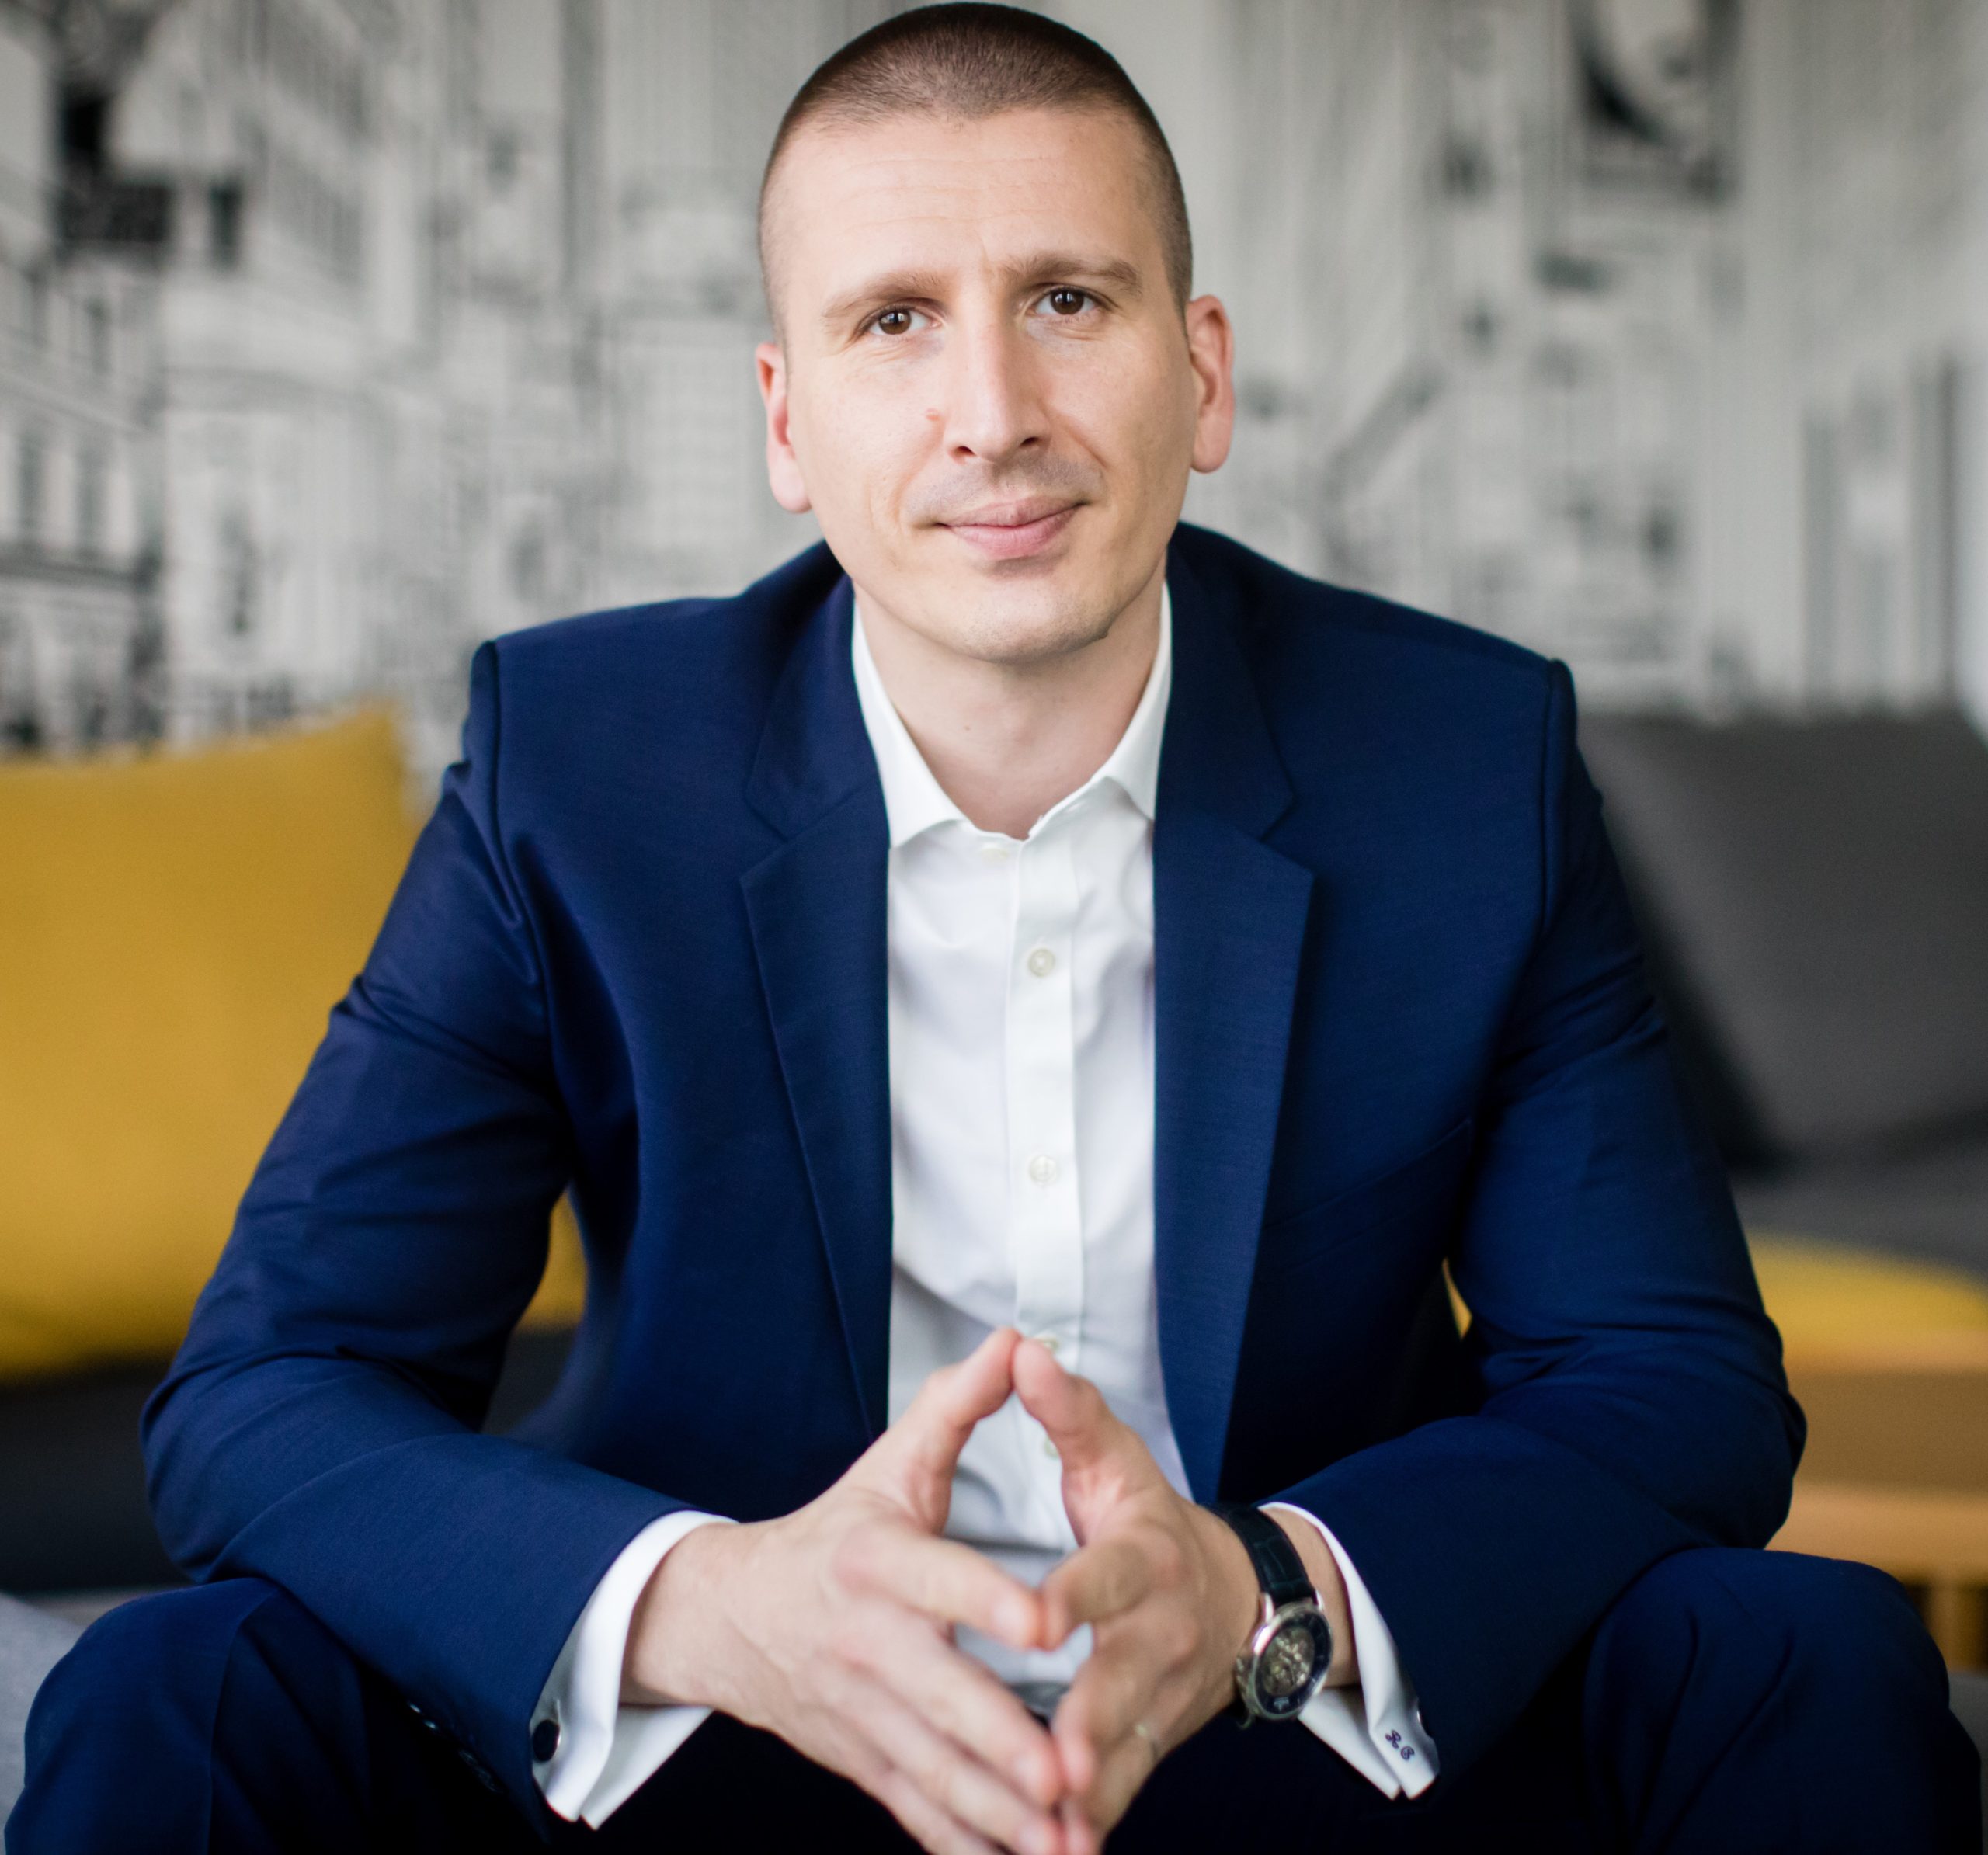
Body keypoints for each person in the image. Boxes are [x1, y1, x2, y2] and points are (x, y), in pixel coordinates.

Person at [11, 7, 1978, 1853]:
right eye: (893, 321)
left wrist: (1261, 1588)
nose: (992, 413)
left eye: (1065, 301)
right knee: (180, 1690)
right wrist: (712, 1606)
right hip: (732, 1724)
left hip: (1283, 1714)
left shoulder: (1463, 761)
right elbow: (267, 1395)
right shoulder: (576, 769)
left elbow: (1667, 1384)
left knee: (1796, 1654)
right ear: (786, 420)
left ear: (1199, 373)